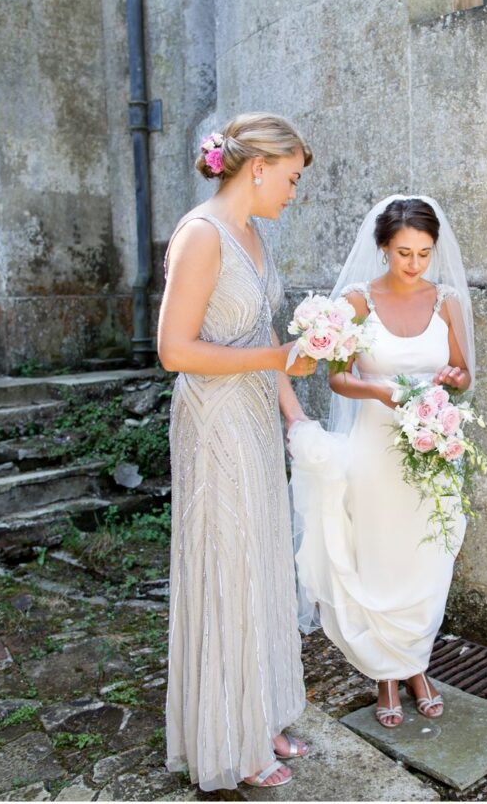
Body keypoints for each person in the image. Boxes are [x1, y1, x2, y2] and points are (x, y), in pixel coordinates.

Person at [157, 113, 317, 790]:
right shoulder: (202, 235)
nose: (293, 191)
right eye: (292, 177)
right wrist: (276, 355)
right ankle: (231, 737)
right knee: (228, 565)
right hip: (214, 423)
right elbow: (174, 351)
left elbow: (262, 331)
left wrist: (296, 419)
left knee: (261, 562)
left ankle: (260, 713)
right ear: (259, 167)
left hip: (254, 417)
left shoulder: (254, 235)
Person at [289, 195, 475, 729]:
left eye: (424, 253)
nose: (414, 265)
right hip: (376, 450)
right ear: (382, 248)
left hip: (434, 449)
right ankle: (386, 678)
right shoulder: (358, 302)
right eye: (403, 253)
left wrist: (451, 382)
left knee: (428, 560)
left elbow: (462, 370)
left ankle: (417, 667)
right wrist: (380, 390)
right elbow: (337, 377)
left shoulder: (446, 301)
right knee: (382, 559)